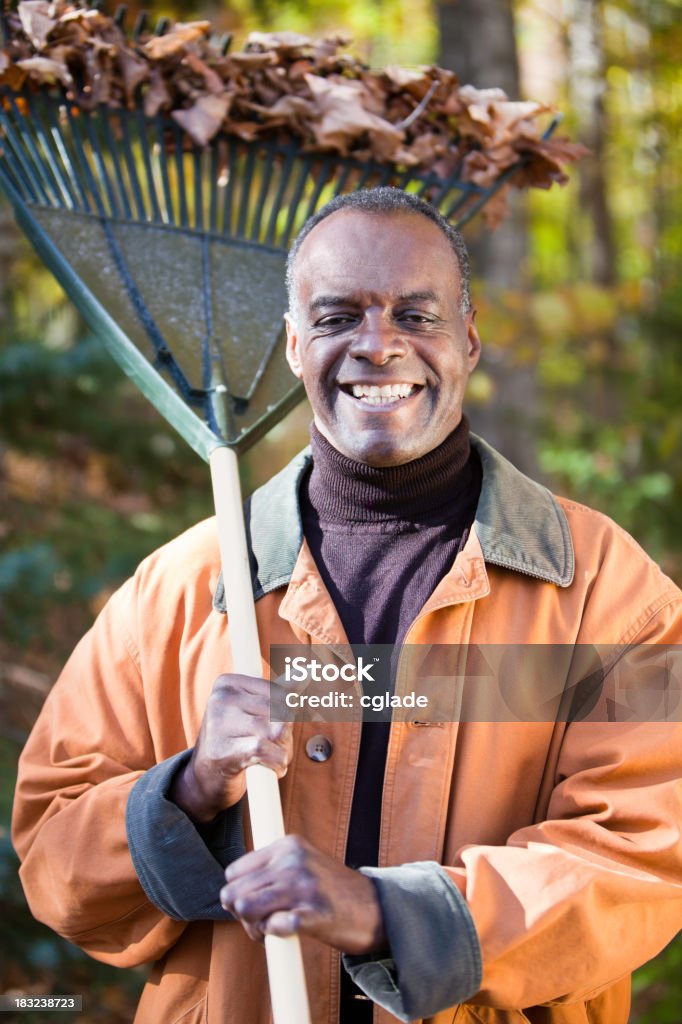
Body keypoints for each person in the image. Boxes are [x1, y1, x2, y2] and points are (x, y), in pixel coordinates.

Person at [12, 188, 682, 1024]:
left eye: (414, 314)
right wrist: (187, 789)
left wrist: (381, 913)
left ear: (467, 340)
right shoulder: (183, 592)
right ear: (296, 346)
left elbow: (644, 858)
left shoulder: (608, 596)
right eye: (337, 318)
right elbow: (52, 856)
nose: (377, 345)